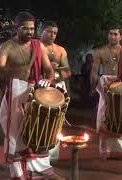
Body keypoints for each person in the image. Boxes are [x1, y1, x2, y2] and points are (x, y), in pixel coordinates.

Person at [0, 12, 64, 180]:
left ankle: (41, 170)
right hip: (15, 93)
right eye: (25, 28)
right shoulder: (7, 47)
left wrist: (48, 80)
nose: (30, 32)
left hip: (35, 91)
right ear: (16, 28)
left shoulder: (38, 46)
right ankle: (19, 173)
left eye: (32, 28)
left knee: (35, 130)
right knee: (16, 134)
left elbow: (49, 70)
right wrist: (16, 71)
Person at [91, 24, 122, 160]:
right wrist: (93, 86)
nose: (112, 36)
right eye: (111, 33)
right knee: (105, 116)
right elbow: (94, 71)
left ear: (121, 36)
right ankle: (105, 152)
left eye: (115, 34)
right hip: (106, 86)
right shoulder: (100, 52)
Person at [40, 20, 71, 162]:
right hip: (40, 85)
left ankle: (52, 155)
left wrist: (56, 78)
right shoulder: (36, 47)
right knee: (40, 120)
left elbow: (67, 71)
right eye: (49, 32)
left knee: (56, 121)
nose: (52, 35)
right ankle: (38, 153)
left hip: (58, 86)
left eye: (55, 33)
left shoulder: (60, 50)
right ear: (41, 30)